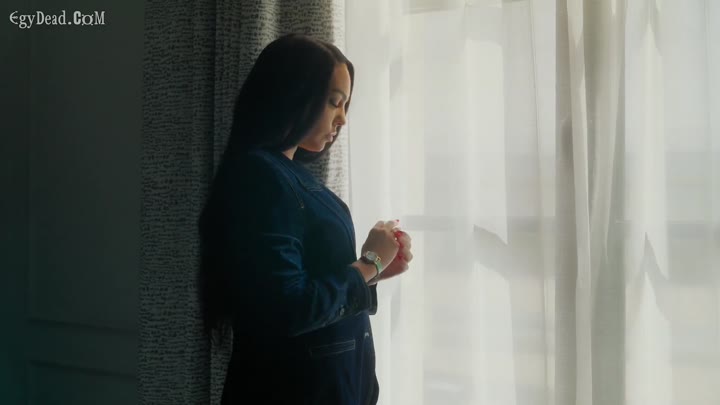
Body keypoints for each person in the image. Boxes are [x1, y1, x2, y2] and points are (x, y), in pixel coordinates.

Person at [197, 33, 414, 405]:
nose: (342, 119)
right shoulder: (261, 176)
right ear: (293, 95)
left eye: (345, 105)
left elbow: (304, 284)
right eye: (334, 102)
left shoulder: (287, 174)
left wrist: (376, 270)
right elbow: (287, 309)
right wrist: (369, 262)